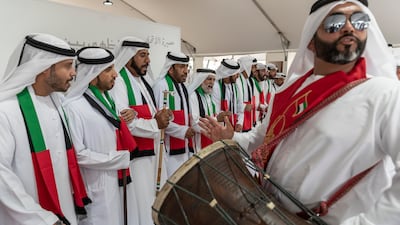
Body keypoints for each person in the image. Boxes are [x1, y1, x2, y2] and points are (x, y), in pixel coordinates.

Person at [200, 0, 400, 224]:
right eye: (334, 23)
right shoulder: (290, 89)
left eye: (359, 21)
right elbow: (261, 139)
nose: (349, 28)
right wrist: (232, 137)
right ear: (311, 41)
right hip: (267, 214)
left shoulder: (385, 94)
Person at [0, 33, 91, 225]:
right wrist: (41, 218)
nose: (73, 73)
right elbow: (2, 176)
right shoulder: (6, 110)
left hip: (64, 211)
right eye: (67, 66)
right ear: (43, 68)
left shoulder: (58, 104)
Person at [63, 47, 139, 225]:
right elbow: (78, 154)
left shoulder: (107, 100)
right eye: (108, 69)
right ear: (92, 74)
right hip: (95, 188)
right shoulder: (74, 107)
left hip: (115, 181)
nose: (115, 74)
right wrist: (118, 158)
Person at [109, 37, 170, 225]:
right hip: (138, 160)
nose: (148, 60)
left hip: (154, 153)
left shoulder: (142, 82)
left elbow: (150, 115)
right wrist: (155, 124)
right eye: (142, 55)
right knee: (142, 207)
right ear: (128, 58)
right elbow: (125, 122)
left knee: (155, 202)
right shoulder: (119, 81)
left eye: (148, 55)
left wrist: (164, 117)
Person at [152, 51, 195, 177]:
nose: (186, 71)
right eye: (182, 67)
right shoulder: (161, 86)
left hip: (184, 148)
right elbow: (161, 120)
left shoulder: (182, 87)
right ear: (170, 69)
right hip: (168, 151)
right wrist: (182, 131)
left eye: (187, 67)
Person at [188, 68, 227, 152]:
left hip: (210, 139)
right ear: (201, 80)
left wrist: (222, 115)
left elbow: (213, 115)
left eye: (213, 80)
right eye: (209, 79)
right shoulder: (193, 96)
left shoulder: (208, 95)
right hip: (198, 143)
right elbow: (194, 123)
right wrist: (217, 119)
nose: (212, 82)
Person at [211, 59, 243, 132]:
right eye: (236, 74)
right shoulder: (215, 86)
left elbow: (240, 107)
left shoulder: (236, 86)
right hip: (220, 127)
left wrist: (239, 122)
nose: (238, 76)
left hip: (234, 127)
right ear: (228, 74)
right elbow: (215, 110)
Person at [237, 56, 258, 132]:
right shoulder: (237, 80)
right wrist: (244, 106)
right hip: (240, 117)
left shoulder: (248, 80)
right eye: (253, 67)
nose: (255, 70)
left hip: (248, 115)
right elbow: (234, 101)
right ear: (247, 67)